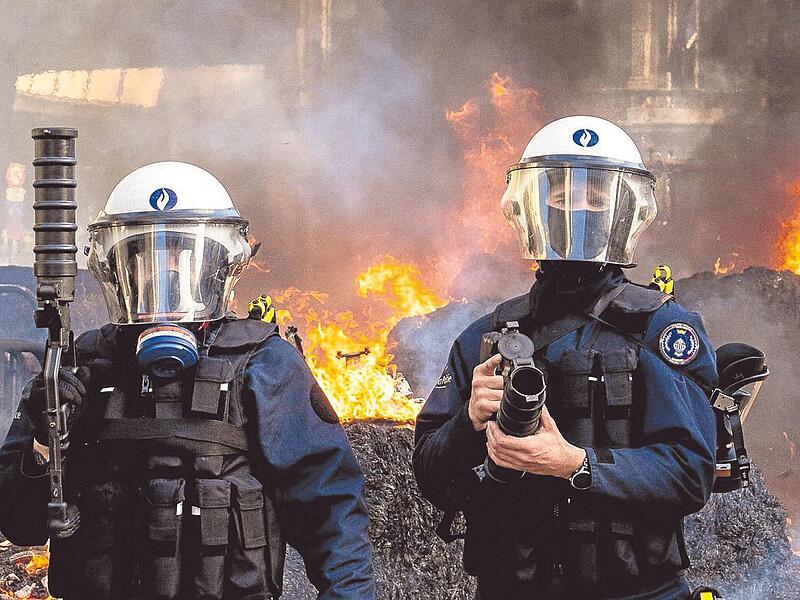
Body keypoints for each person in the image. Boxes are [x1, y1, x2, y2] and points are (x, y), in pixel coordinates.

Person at [0, 161, 376, 599]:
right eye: (146, 259)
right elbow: (18, 524)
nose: (167, 279)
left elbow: (331, 511)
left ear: (219, 268)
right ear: (118, 270)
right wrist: (43, 448)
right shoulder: (80, 366)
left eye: (183, 258)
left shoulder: (265, 364)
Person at [413, 116, 717, 600]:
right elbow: (429, 471)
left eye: (595, 197)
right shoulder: (486, 337)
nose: (578, 211)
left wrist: (575, 463)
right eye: (560, 195)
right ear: (531, 206)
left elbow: (689, 472)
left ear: (623, 209)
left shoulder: (660, 329)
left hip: (636, 592)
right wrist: (468, 421)